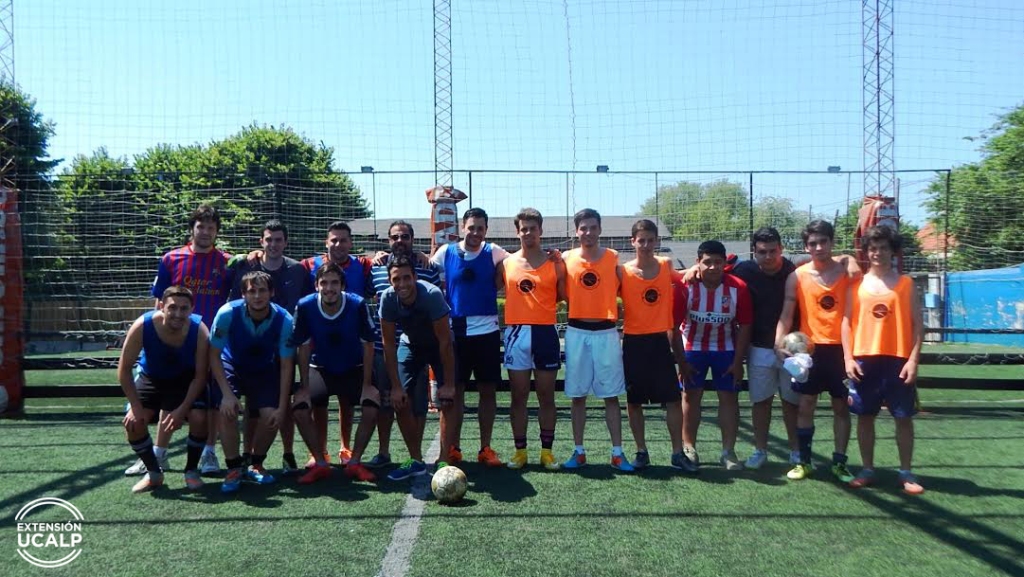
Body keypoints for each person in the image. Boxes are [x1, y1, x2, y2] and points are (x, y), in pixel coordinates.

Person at [127, 204, 232, 477]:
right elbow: (159, 300)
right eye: (201, 227)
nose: (206, 232)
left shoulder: (227, 262)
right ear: (192, 229)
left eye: (211, 228)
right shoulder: (171, 259)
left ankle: (209, 454)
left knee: (211, 401)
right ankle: (159, 454)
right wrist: (157, 335)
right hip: (173, 340)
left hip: (209, 341)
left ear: (217, 232)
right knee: (166, 395)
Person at [842, 225, 925, 495]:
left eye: (884, 248)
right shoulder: (857, 286)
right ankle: (867, 469)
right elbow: (846, 323)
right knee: (865, 416)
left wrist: (913, 360)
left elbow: (916, 325)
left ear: (893, 252)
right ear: (867, 252)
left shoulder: (906, 284)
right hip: (865, 359)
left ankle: (906, 472)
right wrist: (848, 358)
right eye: (873, 248)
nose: (878, 252)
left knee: (903, 417)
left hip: (898, 360)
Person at [775, 220, 855, 483]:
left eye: (823, 242)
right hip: (808, 351)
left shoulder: (847, 272)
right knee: (805, 405)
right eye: (812, 243)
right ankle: (804, 462)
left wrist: (850, 258)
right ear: (805, 247)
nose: (818, 247)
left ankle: (840, 463)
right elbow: (787, 315)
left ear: (832, 242)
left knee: (841, 406)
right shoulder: (797, 276)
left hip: (843, 349)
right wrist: (779, 344)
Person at [231, 219, 312, 474]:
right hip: (254, 346)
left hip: (286, 347)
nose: (274, 244)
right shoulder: (247, 266)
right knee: (252, 405)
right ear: (261, 242)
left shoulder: (298, 270)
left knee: (283, 403)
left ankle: (288, 454)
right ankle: (247, 455)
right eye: (269, 239)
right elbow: (235, 302)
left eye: (278, 240)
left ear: (285, 242)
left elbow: (308, 305)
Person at [289, 262, 379, 484]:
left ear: (343, 285)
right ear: (316, 285)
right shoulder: (305, 305)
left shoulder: (357, 304)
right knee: (300, 408)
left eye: (334, 282)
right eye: (324, 283)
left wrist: (368, 384)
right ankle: (320, 463)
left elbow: (368, 344)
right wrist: (303, 387)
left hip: (353, 369)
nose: (329, 288)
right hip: (321, 369)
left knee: (372, 404)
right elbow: (302, 346)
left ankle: (355, 462)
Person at [429, 207, 505, 467]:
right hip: (456, 333)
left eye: (480, 228)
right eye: (471, 227)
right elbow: (426, 269)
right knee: (454, 393)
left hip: (487, 332)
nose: (475, 233)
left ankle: (485, 448)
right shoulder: (446, 252)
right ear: (463, 227)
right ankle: (453, 447)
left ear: (486, 230)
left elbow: (521, 261)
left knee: (487, 391)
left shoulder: (493, 252)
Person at [560, 208, 633, 472]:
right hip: (577, 332)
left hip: (606, 333)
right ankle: (579, 451)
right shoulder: (566, 258)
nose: (588, 232)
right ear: (576, 231)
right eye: (583, 228)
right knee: (577, 396)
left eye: (593, 227)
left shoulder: (613, 258)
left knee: (611, 396)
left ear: (600, 230)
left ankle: (617, 453)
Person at [621, 220, 697, 472]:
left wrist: (703, 267)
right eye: (640, 240)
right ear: (633, 242)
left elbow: (686, 277)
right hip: (633, 342)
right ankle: (641, 452)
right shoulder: (623, 272)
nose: (645, 245)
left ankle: (677, 453)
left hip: (660, 341)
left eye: (650, 240)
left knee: (673, 400)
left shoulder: (666, 265)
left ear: (657, 242)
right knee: (634, 402)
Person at [209, 271, 295, 494]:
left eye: (262, 290)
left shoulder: (285, 319)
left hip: (264, 369)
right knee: (226, 410)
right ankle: (234, 468)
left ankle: (256, 463)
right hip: (232, 365)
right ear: (243, 294)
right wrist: (227, 395)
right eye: (251, 291)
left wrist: (283, 407)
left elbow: (287, 365)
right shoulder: (227, 313)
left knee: (271, 416)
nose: (257, 296)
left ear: (272, 293)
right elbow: (213, 354)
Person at [118, 286, 211, 493]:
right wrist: (135, 406)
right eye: (173, 308)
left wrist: (181, 410)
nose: (178, 314)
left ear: (192, 309)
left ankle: (191, 471)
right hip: (152, 377)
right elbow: (124, 370)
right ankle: (154, 472)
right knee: (133, 423)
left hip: (185, 380)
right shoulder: (143, 325)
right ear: (161, 306)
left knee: (199, 418)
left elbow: (200, 376)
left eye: (184, 308)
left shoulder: (199, 329)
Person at [366, 221, 443, 470]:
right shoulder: (375, 267)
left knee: (415, 401)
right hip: (383, 345)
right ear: (388, 240)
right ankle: (383, 451)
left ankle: (416, 454)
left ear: (412, 239)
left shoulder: (427, 267)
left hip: (416, 344)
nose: (400, 240)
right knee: (386, 402)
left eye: (405, 236)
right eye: (395, 237)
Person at [300, 221, 374, 467]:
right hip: (320, 351)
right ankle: (319, 452)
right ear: (326, 242)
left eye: (343, 240)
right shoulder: (310, 265)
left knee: (347, 400)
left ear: (350, 243)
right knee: (317, 401)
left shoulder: (363, 265)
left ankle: (346, 447)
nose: (338, 244)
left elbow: (385, 264)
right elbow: (283, 264)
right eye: (334, 240)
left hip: (350, 347)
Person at [674, 240, 753, 471]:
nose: (712, 267)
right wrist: (681, 362)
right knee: (690, 397)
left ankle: (728, 452)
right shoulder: (685, 286)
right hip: (693, 347)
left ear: (724, 263)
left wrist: (739, 362)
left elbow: (746, 326)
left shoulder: (738, 287)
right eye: (707, 262)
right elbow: (672, 326)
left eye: (717, 262)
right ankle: (689, 448)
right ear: (697, 263)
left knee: (729, 397)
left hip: (725, 348)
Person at [378, 256, 457, 481]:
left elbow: (444, 342)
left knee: (448, 399)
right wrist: (395, 386)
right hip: (409, 344)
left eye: (406, 278)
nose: (402, 284)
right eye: (396, 279)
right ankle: (415, 460)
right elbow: (388, 344)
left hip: (437, 345)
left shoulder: (431, 295)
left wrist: (449, 384)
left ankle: (444, 459)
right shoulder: (388, 298)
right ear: (390, 280)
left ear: (415, 276)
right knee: (399, 399)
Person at [498, 208, 564, 470]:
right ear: (517, 232)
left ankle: (546, 452)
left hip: (545, 332)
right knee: (519, 396)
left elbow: (560, 295)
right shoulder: (506, 263)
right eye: (523, 229)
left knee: (547, 396)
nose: (528, 233)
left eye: (532, 228)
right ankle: (520, 452)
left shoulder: (555, 262)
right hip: (516, 333)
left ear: (540, 231)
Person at [731, 227, 801, 470]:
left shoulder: (795, 271)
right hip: (759, 348)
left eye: (773, 251)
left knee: (791, 401)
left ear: (781, 249)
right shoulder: (744, 270)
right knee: (761, 401)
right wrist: (691, 271)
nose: (769, 257)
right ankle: (760, 450)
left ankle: (796, 451)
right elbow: (714, 269)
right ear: (754, 252)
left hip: (792, 348)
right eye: (762, 252)